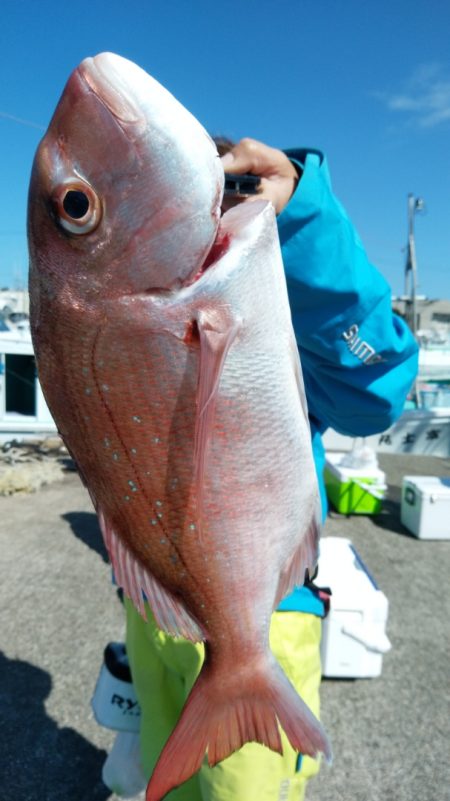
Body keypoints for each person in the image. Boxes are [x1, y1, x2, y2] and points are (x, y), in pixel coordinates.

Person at [120, 138, 418, 801]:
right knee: (163, 786)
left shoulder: (278, 299)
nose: (209, 217)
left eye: (232, 191)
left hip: (263, 613)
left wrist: (304, 218)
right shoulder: (134, 309)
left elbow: (376, 392)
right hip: (154, 611)